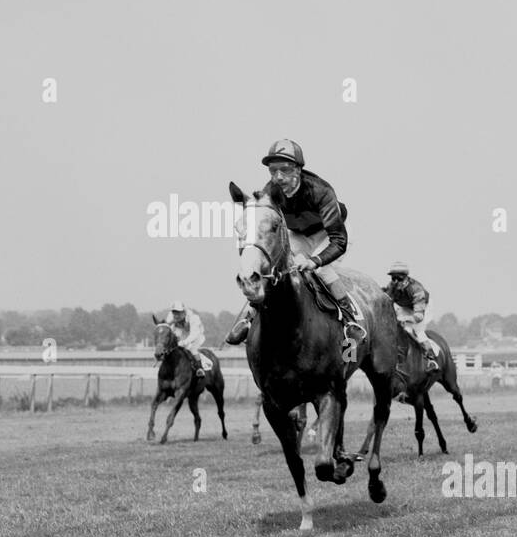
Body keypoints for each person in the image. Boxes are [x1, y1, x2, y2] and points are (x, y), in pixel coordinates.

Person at [226, 139, 365, 344]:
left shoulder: (321, 191)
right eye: (273, 170)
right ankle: (249, 316)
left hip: (332, 234)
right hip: (299, 234)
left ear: (298, 170)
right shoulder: (271, 191)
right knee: (275, 266)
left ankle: (350, 319)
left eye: (285, 169)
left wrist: (314, 260)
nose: (278, 177)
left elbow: (339, 241)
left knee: (320, 270)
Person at [383, 262, 440, 374]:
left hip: (423, 309)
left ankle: (431, 359)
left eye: (398, 279)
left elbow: (418, 317)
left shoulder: (416, 289)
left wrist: (404, 319)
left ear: (406, 278)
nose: (395, 282)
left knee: (416, 330)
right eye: (393, 278)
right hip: (405, 306)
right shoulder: (392, 286)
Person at [166, 301, 212, 379]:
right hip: (181, 333)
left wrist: (183, 342)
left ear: (184, 312)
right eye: (174, 313)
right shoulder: (170, 317)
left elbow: (194, 335)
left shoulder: (194, 318)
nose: (176, 316)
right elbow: (167, 330)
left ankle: (199, 368)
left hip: (196, 335)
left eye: (178, 313)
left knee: (192, 348)